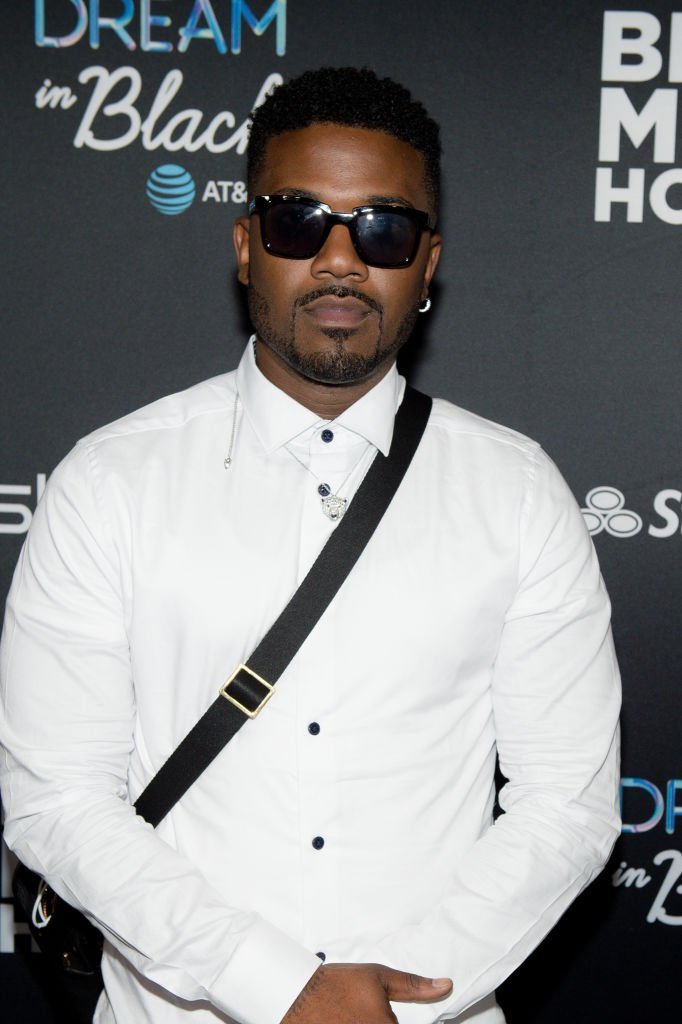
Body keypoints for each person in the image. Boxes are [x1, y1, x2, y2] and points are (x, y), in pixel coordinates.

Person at [0, 67, 620, 1024]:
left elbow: (565, 804)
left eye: (383, 229)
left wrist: (399, 997)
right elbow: (58, 799)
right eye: (299, 222)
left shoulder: (517, 490)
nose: (340, 260)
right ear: (247, 247)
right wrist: (274, 983)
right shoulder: (109, 481)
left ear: (427, 263)